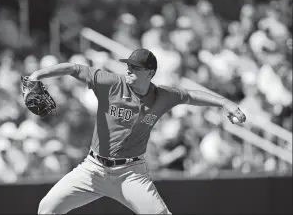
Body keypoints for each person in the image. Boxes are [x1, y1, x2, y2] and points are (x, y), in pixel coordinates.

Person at [28, 49, 246, 214]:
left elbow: (189, 95)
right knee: (47, 208)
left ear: (150, 73)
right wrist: (38, 74)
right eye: (128, 65)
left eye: (135, 67)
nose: (129, 69)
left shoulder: (162, 96)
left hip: (130, 173)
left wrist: (224, 102)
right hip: (92, 169)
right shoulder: (111, 84)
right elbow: (74, 69)